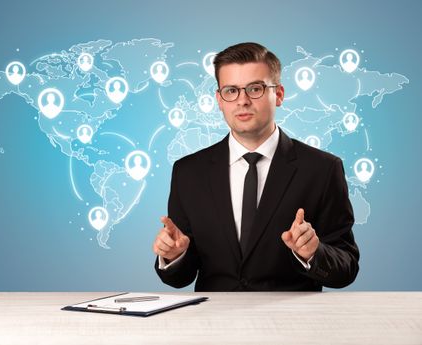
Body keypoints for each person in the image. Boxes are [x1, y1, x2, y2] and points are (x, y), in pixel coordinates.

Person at [152, 42, 359, 291]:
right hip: (213, 322)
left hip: (291, 322)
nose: (243, 101)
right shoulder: (188, 172)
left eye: (255, 89)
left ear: (279, 94)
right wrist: (174, 256)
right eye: (231, 91)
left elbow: (346, 267)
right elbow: (180, 277)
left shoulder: (322, 170)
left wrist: (313, 253)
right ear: (219, 100)